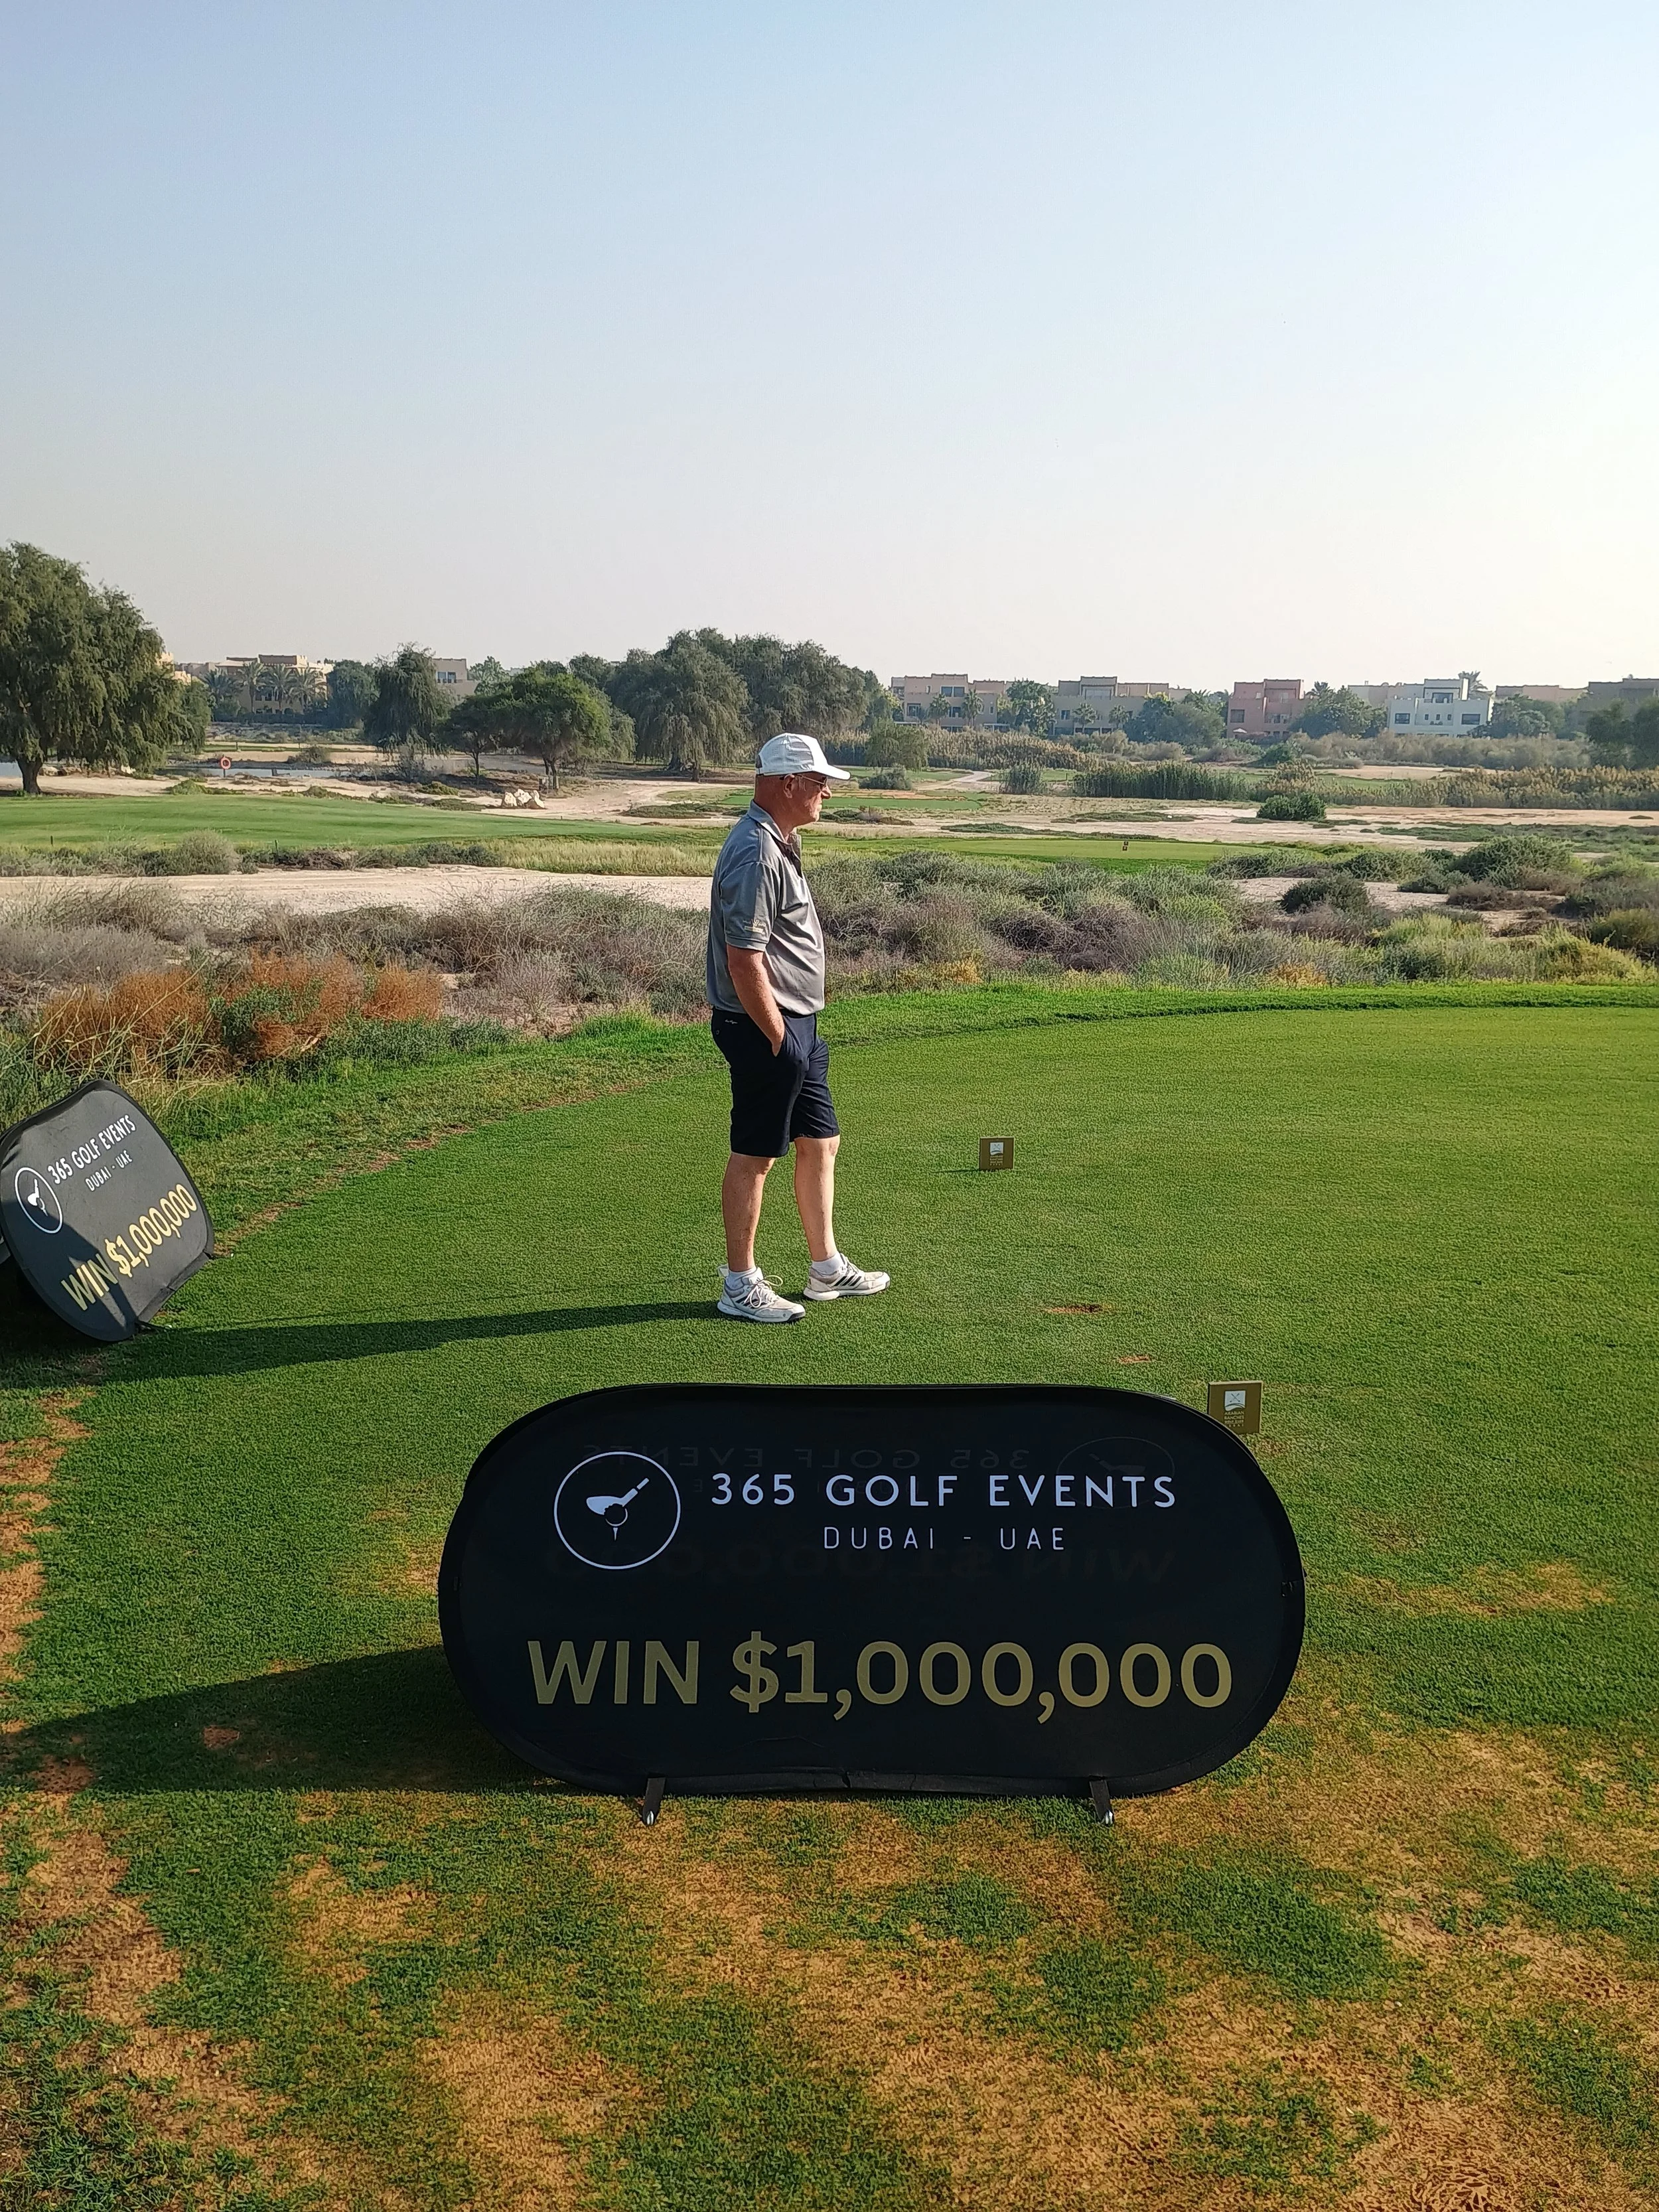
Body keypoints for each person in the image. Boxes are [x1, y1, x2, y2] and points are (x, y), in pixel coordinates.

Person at [706, 732, 891, 1323]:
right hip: (766, 1027)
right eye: (818, 783)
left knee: (822, 1141)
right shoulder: (757, 852)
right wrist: (780, 1038)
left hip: (797, 1024)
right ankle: (740, 1283)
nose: (826, 794)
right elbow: (744, 959)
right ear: (787, 784)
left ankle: (825, 1266)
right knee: (757, 1154)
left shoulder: (779, 840)